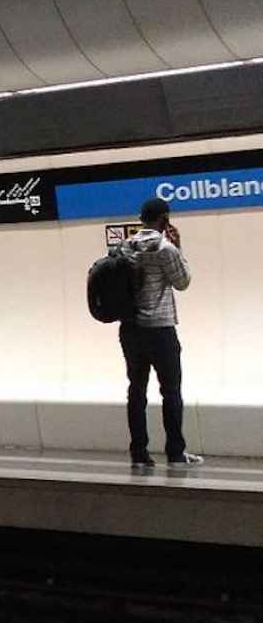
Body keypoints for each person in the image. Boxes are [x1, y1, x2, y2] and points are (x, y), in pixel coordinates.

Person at [115, 197, 200, 469]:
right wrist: (178, 247)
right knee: (171, 392)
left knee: (136, 391)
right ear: (164, 219)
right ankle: (175, 451)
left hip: (131, 330)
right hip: (161, 331)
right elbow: (182, 282)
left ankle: (139, 453)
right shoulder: (165, 248)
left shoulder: (124, 247)